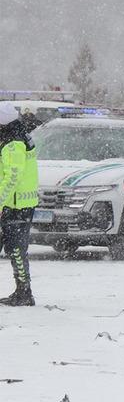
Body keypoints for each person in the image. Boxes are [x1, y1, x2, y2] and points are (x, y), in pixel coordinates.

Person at [0, 101, 40, 306]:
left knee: (15, 248)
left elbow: (12, 176)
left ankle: (24, 293)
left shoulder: (13, 142)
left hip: (16, 205)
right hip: (16, 203)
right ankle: (23, 291)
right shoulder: (17, 134)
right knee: (14, 248)